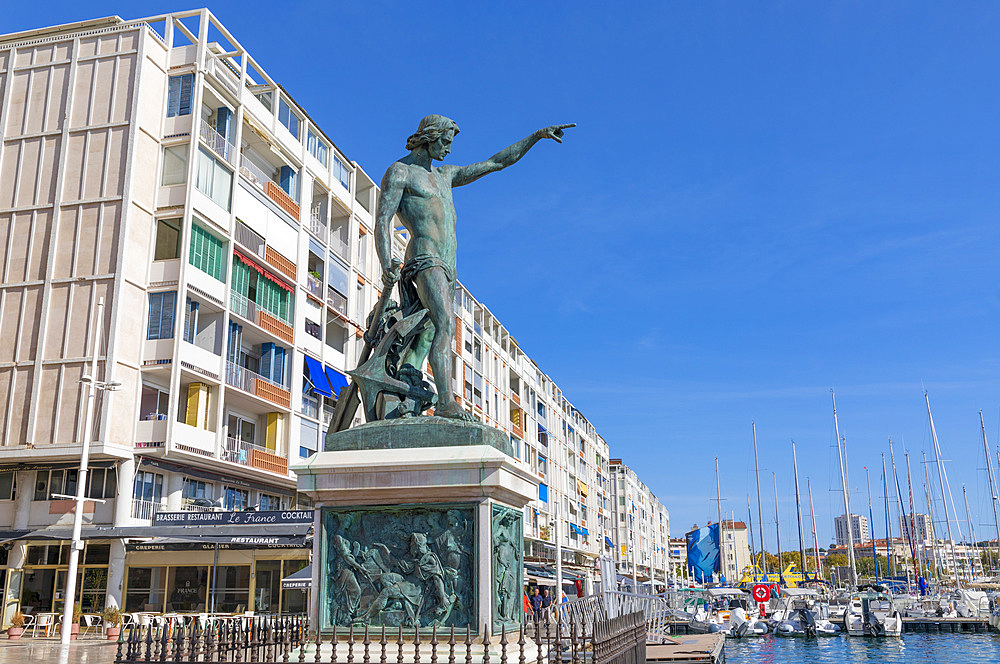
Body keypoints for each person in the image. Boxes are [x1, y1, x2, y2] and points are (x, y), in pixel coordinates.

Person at [375, 116, 574, 419]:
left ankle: (408, 386)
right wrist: (386, 259)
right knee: (444, 324)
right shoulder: (401, 172)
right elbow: (382, 219)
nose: (449, 150)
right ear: (429, 137)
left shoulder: (445, 175)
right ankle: (445, 402)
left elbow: (495, 163)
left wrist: (536, 136)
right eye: (445, 142)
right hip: (424, 257)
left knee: (428, 332)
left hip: (448, 266)